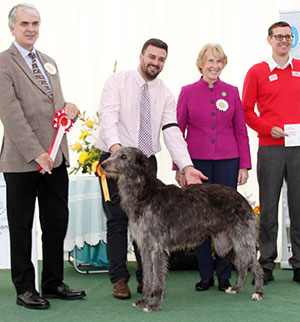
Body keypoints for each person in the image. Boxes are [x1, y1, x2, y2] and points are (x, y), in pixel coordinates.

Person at [95, 38, 207, 299]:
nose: (155, 63)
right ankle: (119, 278)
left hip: (145, 163)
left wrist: (186, 165)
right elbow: (108, 117)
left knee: (147, 224)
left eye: (161, 59)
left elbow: (171, 131)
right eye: (152, 57)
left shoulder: (165, 94)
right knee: (118, 220)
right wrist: (116, 150)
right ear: (141, 55)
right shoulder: (117, 82)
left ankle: (147, 279)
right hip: (116, 157)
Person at [0, 4, 86, 309]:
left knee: (56, 223)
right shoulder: (3, 63)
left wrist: (70, 110)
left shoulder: (49, 62)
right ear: (12, 27)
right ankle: (24, 288)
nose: (30, 28)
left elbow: (55, 109)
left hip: (56, 160)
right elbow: (11, 115)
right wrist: (37, 153)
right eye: (24, 23)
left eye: (35, 23)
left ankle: (52, 282)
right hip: (22, 161)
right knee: (21, 227)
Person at [174, 43, 251, 292]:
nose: (214, 66)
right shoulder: (187, 92)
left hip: (228, 162)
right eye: (210, 61)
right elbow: (177, 131)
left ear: (223, 64)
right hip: (197, 163)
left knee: (225, 219)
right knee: (199, 220)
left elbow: (241, 131)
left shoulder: (232, 91)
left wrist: (244, 165)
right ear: (201, 64)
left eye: (219, 61)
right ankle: (205, 275)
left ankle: (225, 275)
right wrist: (179, 166)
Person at [242, 21, 300, 285]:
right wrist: (268, 128)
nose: (283, 41)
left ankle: (298, 264)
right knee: (268, 209)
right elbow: (246, 111)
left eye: (288, 36)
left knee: (299, 208)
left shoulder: (299, 68)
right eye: (278, 36)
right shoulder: (257, 71)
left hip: (298, 148)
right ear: (269, 39)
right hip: (270, 148)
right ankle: (265, 265)